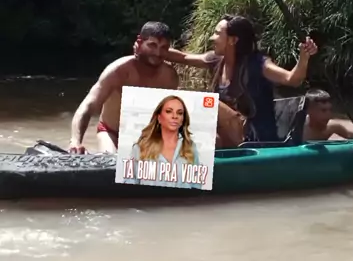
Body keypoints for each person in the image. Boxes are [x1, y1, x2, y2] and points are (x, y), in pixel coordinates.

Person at [166, 14, 318, 146]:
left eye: (217, 34)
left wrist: (304, 57)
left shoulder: (258, 64)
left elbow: (292, 79)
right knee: (208, 137)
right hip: (227, 133)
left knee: (208, 102)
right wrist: (154, 49)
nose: (212, 38)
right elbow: (183, 57)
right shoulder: (216, 60)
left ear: (233, 40)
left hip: (253, 137)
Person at [69, 21, 178, 154]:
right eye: (152, 45)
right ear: (139, 42)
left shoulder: (169, 76)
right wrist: (76, 141)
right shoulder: (118, 71)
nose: (158, 53)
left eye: (164, 47)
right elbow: (89, 105)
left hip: (146, 136)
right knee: (112, 161)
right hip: (111, 132)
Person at [128, 95, 201, 189]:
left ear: (183, 119)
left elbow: (196, 186)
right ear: (159, 118)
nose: (175, 116)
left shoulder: (190, 148)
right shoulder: (141, 148)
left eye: (179, 113)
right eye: (169, 111)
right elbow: (129, 182)